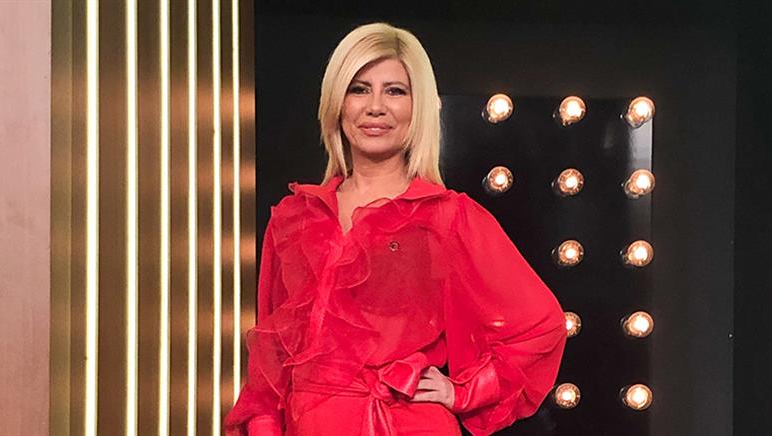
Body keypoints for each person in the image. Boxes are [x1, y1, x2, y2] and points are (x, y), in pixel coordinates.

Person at [224, 22, 567, 436]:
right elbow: (270, 368)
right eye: (359, 89)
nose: (375, 107)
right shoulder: (294, 217)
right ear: (337, 102)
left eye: (395, 91)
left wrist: (462, 391)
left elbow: (541, 327)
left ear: (417, 106)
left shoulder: (446, 216)